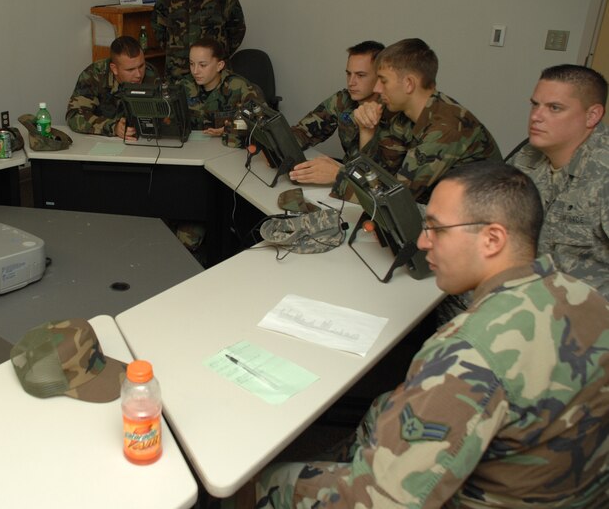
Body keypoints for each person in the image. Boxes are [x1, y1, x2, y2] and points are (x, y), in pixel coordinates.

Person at [252, 161, 609, 508]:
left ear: (492, 239)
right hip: (566, 487)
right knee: (383, 406)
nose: (422, 242)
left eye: (436, 229)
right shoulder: (586, 299)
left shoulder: (465, 353)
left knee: (266, 480)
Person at [344, 38, 501, 203]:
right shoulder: (403, 114)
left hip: (480, 216)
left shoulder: (446, 128)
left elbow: (393, 201)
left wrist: (340, 176)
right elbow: (382, 176)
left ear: (409, 84)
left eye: (383, 81)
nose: (376, 89)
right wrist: (367, 132)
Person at [509, 64, 608, 300]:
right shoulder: (528, 156)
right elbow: (485, 206)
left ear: (592, 115)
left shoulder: (603, 173)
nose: (536, 117)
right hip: (531, 293)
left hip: (585, 317)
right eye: (535, 104)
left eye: (555, 108)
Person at [288, 40, 397, 185]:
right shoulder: (343, 100)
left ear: (380, 77)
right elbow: (303, 132)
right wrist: (276, 146)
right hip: (346, 179)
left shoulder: (393, 111)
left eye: (360, 75)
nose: (351, 82)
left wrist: (341, 174)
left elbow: (381, 179)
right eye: (348, 74)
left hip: (367, 189)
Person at [65, 36, 158, 140]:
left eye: (141, 66)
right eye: (130, 70)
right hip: (99, 142)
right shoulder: (94, 76)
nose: (138, 74)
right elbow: (74, 116)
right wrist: (113, 127)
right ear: (114, 69)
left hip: (138, 143)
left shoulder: (151, 75)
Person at [179, 37, 264, 134]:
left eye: (202, 65)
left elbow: (262, 121)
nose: (195, 71)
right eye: (191, 64)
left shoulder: (239, 86)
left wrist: (228, 129)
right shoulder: (183, 86)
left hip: (227, 146)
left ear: (219, 65)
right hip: (192, 146)